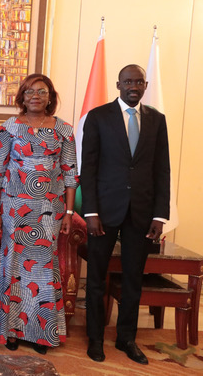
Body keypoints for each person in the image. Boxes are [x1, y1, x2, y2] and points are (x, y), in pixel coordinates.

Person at [0, 74, 78, 355]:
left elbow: (70, 173)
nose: (35, 96)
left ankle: (41, 333)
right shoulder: (9, 127)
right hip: (15, 209)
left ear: (50, 97)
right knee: (14, 267)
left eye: (42, 91)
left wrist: (69, 212)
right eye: (30, 91)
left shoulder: (65, 130)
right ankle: (11, 330)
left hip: (50, 211)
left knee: (43, 269)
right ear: (21, 96)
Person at [82, 64, 170, 365]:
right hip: (103, 212)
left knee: (133, 278)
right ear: (118, 85)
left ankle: (126, 338)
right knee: (96, 278)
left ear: (145, 85)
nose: (134, 86)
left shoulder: (157, 120)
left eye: (139, 81)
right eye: (128, 81)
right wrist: (90, 211)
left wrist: (160, 215)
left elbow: (162, 170)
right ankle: (95, 338)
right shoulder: (98, 117)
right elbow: (88, 167)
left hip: (142, 212)